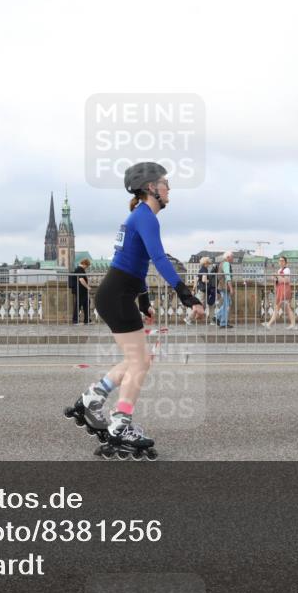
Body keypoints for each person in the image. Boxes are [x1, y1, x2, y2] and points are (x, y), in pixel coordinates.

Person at [65, 162, 204, 460]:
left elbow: (135, 263)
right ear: (151, 187)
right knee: (140, 361)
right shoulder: (145, 217)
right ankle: (120, 424)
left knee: (138, 359)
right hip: (115, 295)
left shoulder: (138, 216)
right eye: (165, 184)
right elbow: (159, 259)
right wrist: (186, 295)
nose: (169, 189)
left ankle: (92, 398)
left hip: (116, 294)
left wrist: (143, 302)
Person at [263, 255, 298, 329]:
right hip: (280, 290)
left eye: (282, 261)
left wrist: (277, 276)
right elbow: (278, 281)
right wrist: (275, 279)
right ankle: (293, 324)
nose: (281, 262)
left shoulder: (287, 270)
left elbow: (286, 280)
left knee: (279, 307)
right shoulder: (279, 270)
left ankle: (269, 324)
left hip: (285, 290)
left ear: (286, 262)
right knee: (286, 308)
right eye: (280, 261)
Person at [185, 255, 212, 325]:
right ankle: (189, 318)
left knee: (198, 305)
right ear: (205, 263)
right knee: (198, 306)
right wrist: (209, 281)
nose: (209, 265)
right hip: (203, 290)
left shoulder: (200, 270)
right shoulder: (205, 270)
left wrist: (194, 289)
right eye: (208, 263)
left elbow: (196, 280)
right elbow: (204, 279)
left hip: (199, 290)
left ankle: (191, 317)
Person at [214, 251, 234, 328]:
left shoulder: (221, 263)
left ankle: (217, 317)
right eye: (232, 257)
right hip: (225, 286)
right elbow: (227, 276)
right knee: (227, 304)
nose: (233, 259)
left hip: (222, 286)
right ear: (228, 257)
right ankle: (223, 322)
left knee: (228, 303)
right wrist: (231, 288)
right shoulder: (226, 264)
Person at [71, 258, 91, 324]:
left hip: (82, 290)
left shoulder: (80, 269)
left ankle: (87, 320)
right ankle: (75, 321)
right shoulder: (79, 269)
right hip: (80, 290)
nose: (87, 268)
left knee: (86, 304)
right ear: (84, 264)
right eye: (87, 266)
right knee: (78, 305)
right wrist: (87, 287)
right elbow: (81, 280)